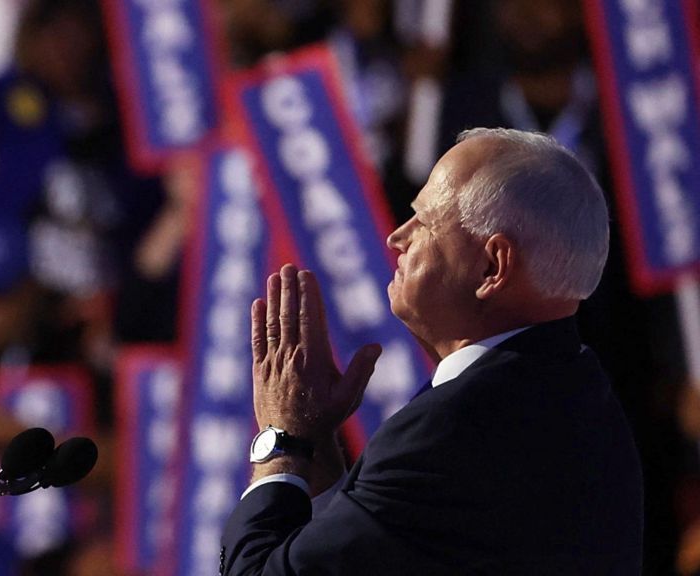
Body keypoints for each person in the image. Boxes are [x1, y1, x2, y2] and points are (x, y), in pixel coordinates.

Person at [220, 128, 643, 574]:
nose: (397, 237)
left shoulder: (456, 426)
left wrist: (281, 437)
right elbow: (374, 550)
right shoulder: (582, 396)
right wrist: (318, 444)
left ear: (491, 266)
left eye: (425, 221)